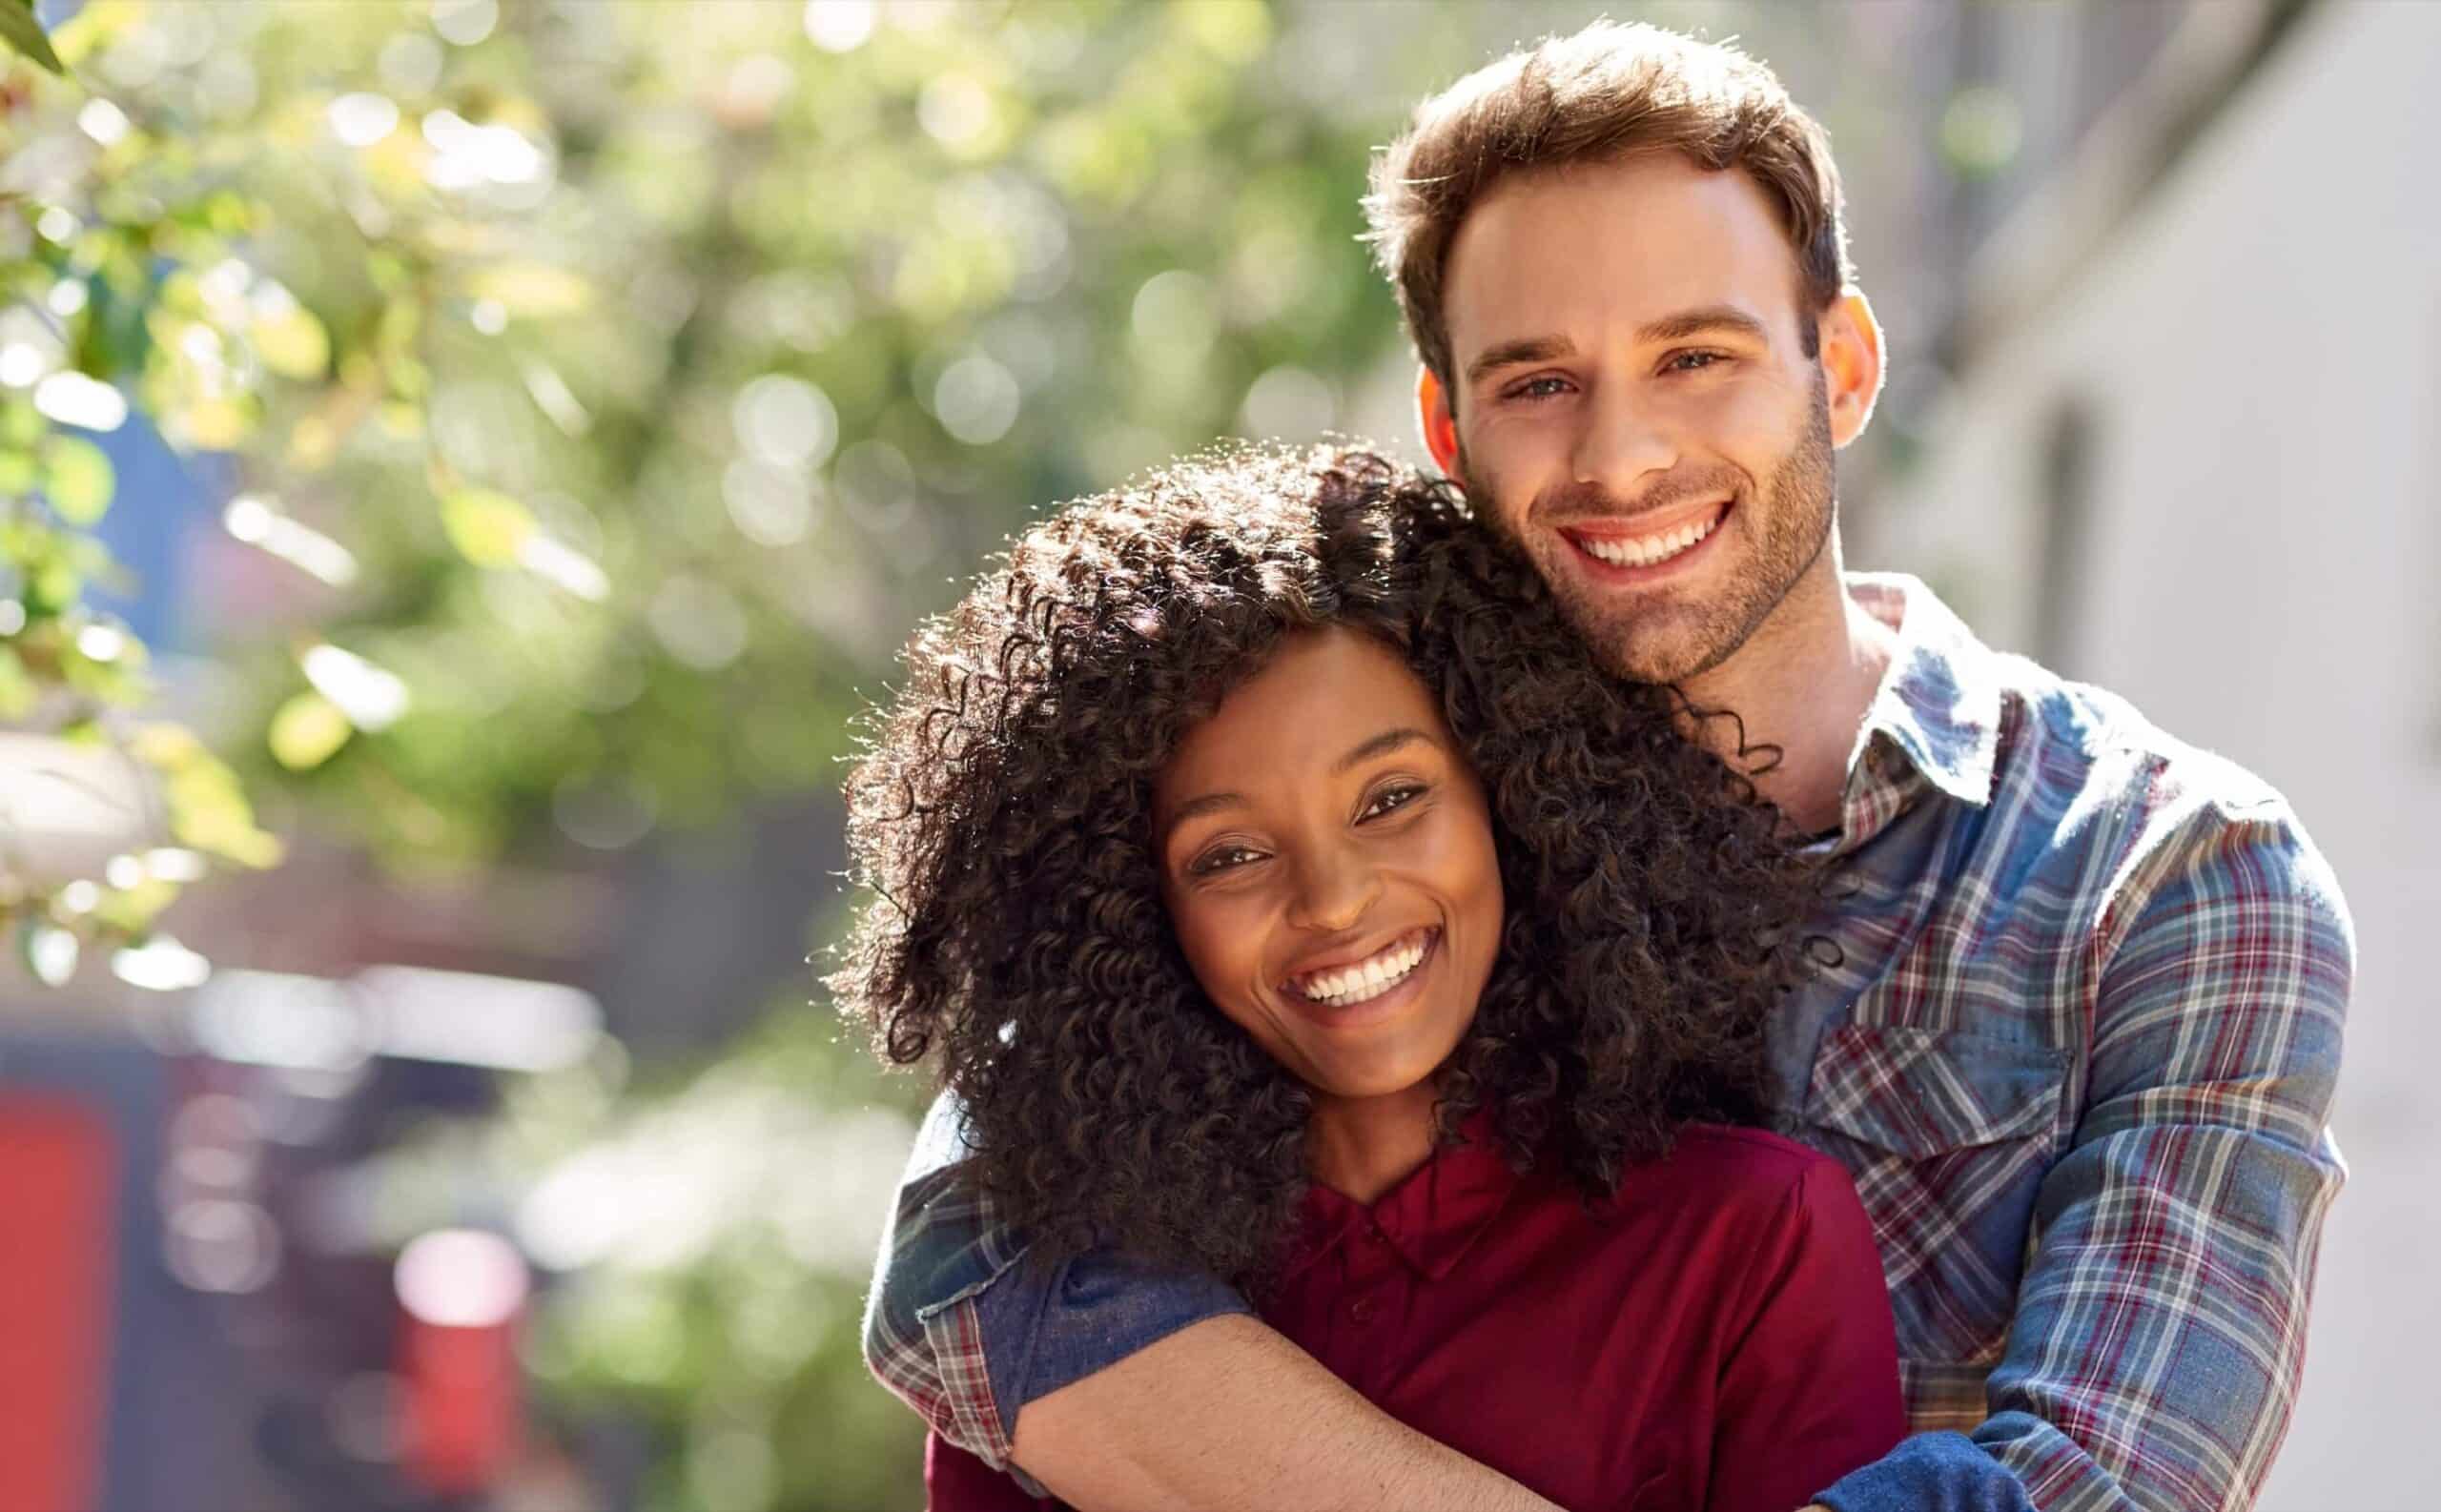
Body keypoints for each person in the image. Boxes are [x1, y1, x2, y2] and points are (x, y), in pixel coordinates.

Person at [863, 21, 2352, 1512]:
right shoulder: (1390, 821)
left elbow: (2098, 1483)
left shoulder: (2165, 876)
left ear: (1840, 367)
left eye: (1695, 356)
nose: (1623, 456)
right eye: (1538, 382)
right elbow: (974, 1252)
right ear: (1448, 428)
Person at [833, 444, 1906, 1510]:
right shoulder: (1057, 1327)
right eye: (1229, 855)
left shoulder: (1755, 1238)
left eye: (1390, 798)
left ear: (1513, 793)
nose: (1334, 900)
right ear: (1132, 909)